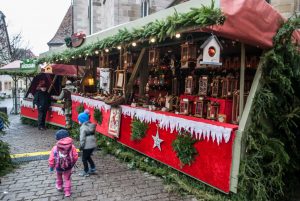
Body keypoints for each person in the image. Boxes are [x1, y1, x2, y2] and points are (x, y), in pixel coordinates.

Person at [48, 129, 78, 197]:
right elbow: (75, 156)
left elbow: (51, 158)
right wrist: (72, 163)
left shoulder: (55, 148)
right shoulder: (72, 147)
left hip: (58, 166)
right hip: (68, 167)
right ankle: (67, 192)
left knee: (59, 176)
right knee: (67, 179)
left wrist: (51, 167)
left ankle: (59, 186)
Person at [78, 110, 97, 177]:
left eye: (79, 120)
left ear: (82, 120)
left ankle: (86, 171)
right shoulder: (90, 125)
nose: (78, 121)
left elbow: (82, 138)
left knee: (84, 158)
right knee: (88, 156)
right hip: (92, 145)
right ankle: (93, 168)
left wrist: (81, 146)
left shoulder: (83, 127)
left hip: (87, 145)